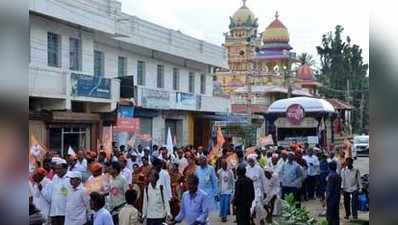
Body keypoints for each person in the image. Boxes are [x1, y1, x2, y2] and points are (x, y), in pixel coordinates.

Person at [40, 158, 70, 225]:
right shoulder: (55, 177)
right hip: (54, 212)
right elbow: (50, 197)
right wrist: (42, 190)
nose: (57, 171)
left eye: (59, 169)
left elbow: (69, 194)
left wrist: (62, 190)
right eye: (56, 169)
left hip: (65, 213)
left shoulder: (71, 177)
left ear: (65, 169)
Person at [326, 161, 341, 225]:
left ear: (329, 167)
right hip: (337, 196)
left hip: (332, 197)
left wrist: (326, 198)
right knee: (336, 212)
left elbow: (330, 189)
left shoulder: (331, 176)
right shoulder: (338, 175)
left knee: (330, 213)